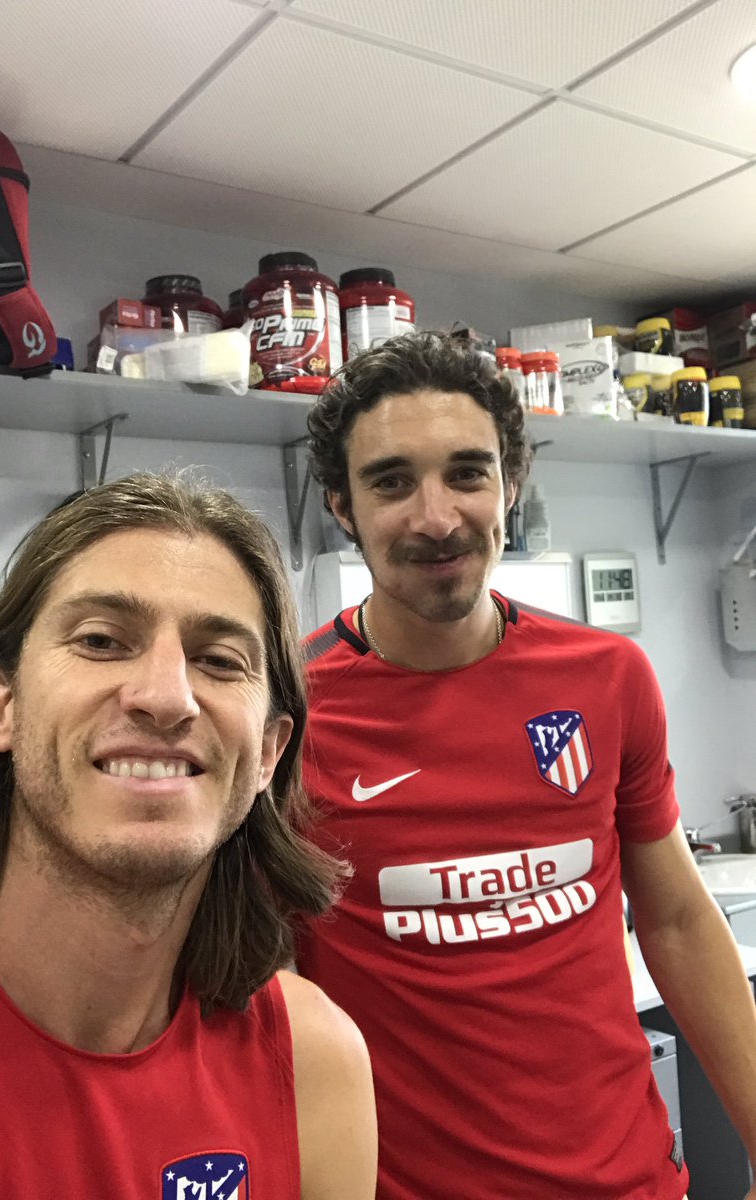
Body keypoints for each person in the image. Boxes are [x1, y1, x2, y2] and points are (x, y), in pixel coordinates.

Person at [299, 331, 756, 1200]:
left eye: (466, 473)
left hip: (631, 1179)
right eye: (391, 482)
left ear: (510, 486)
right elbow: (266, 992)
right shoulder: (284, 712)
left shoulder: (608, 677)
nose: (436, 517)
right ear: (341, 507)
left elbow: (674, 921)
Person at [0, 473, 377, 1199]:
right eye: (101, 641)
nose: (166, 697)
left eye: (218, 660)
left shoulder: (313, 1064)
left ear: (267, 752)